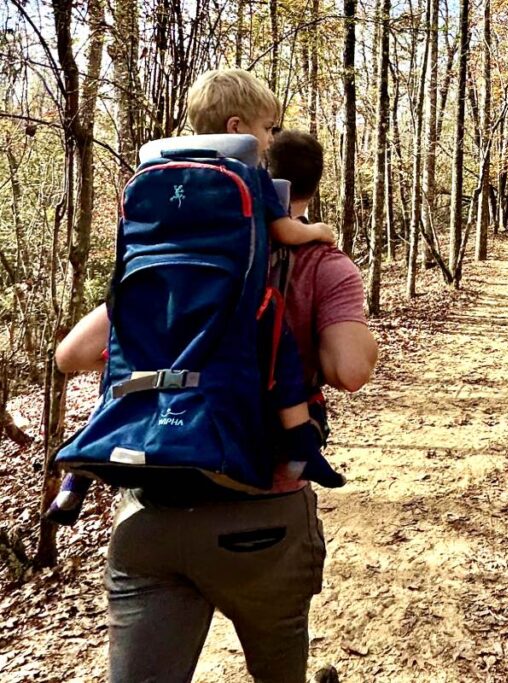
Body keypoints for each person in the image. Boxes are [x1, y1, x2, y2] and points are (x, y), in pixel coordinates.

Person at [54, 78, 378, 682]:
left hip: (148, 508)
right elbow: (350, 369)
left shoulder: (170, 251)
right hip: (259, 516)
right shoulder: (320, 263)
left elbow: (72, 354)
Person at [46, 69, 339, 525]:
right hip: (225, 300)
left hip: (155, 302)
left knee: (130, 360)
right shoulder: (248, 173)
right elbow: (282, 230)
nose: (269, 140)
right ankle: (302, 442)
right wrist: (319, 230)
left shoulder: (154, 172)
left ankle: (77, 477)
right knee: (277, 341)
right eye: (267, 128)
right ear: (237, 128)